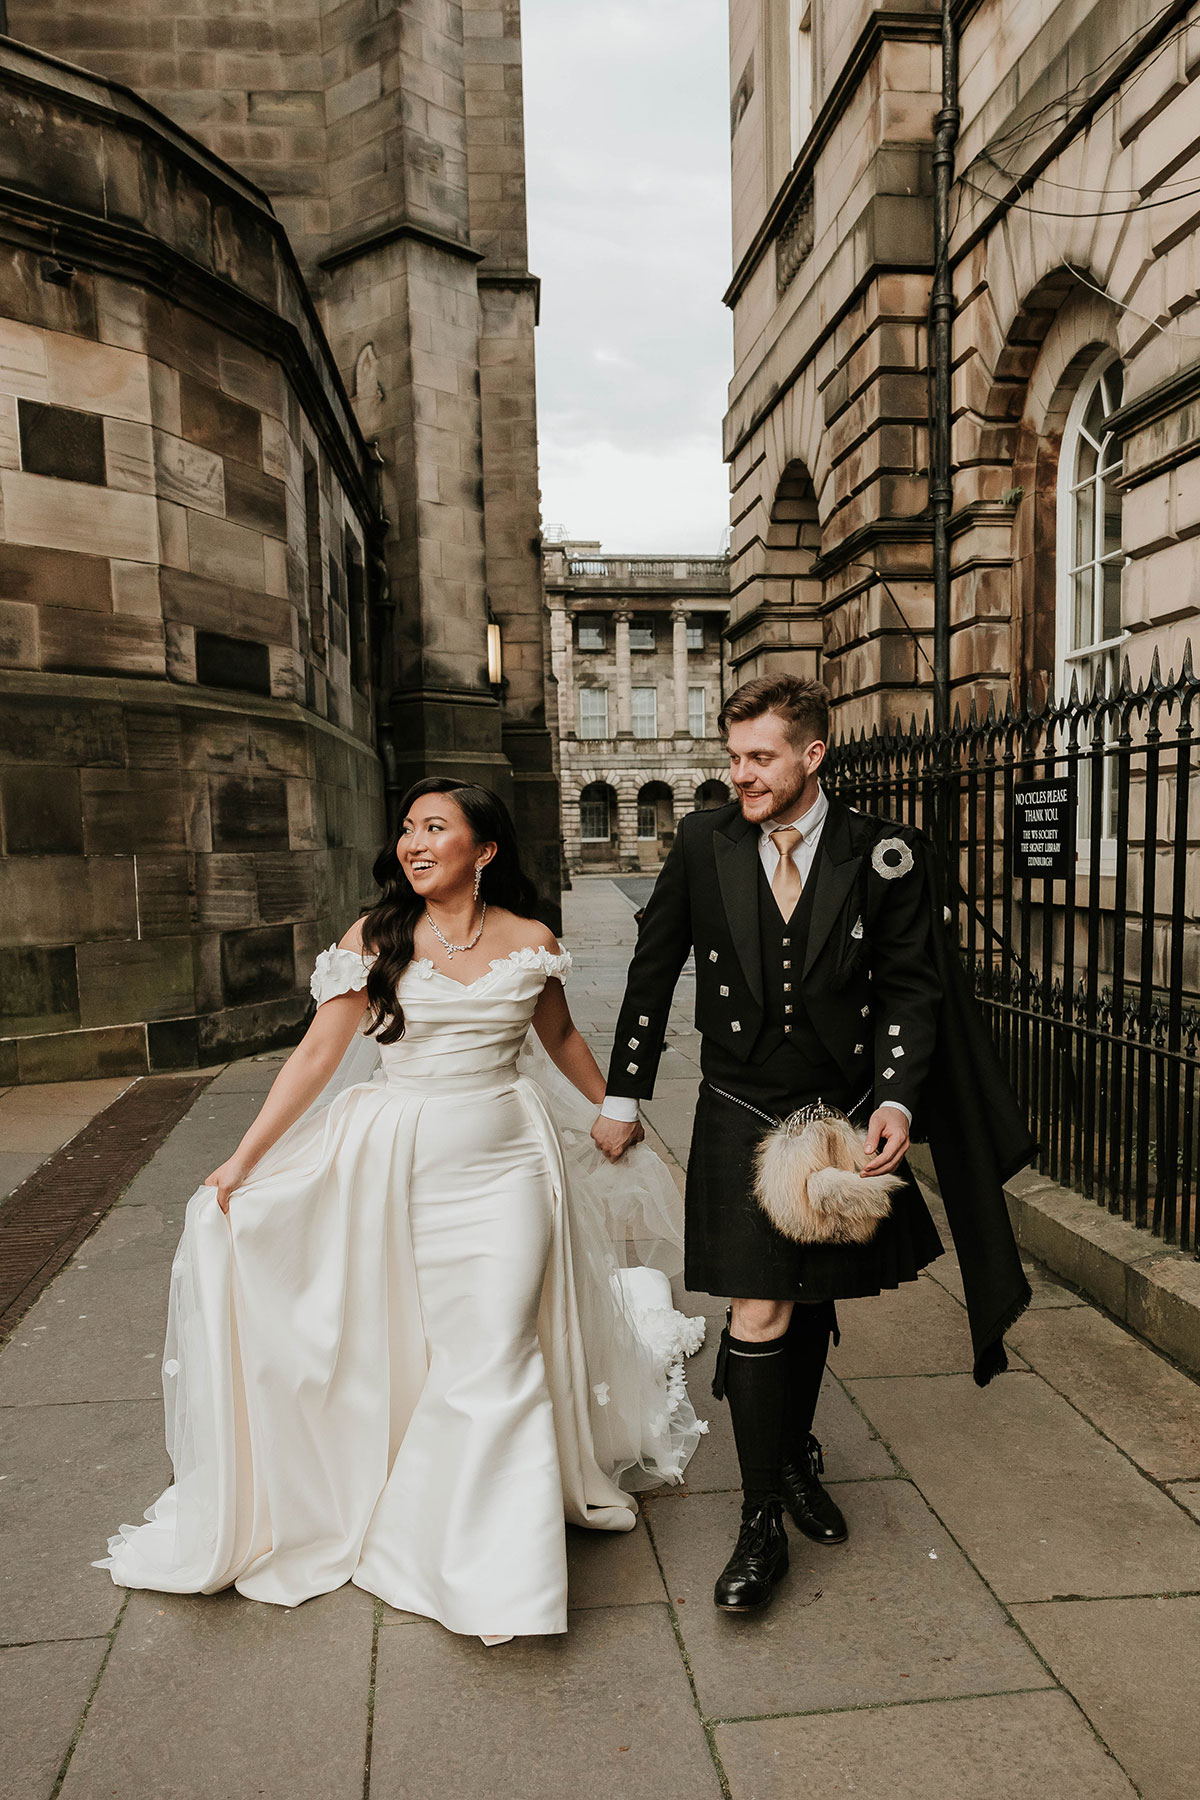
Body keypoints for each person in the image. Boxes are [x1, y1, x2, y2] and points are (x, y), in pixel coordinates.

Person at [97, 778, 705, 1644]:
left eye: (436, 828)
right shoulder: (376, 938)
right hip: (397, 1161)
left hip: (509, 1167)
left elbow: (559, 1038)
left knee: (497, 1343)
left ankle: (495, 1569)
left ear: (483, 850)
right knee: (423, 1341)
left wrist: (614, 1106)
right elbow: (317, 1056)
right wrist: (242, 1160)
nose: (415, 843)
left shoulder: (531, 940)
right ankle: (429, 1517)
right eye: (409, 829)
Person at [592, 674, 1031, 1615]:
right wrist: (624, 1092)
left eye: (759, 757)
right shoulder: (705, 843)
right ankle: (759, 1524)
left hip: (837, 1113)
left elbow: (914, 988)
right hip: (739, 1103)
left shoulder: (885, 855)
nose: (740, 775)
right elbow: (653, 964)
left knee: (809, 1294)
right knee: (759, 1308)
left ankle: (792, 1454)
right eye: (734, 756)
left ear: (812, 754)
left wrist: (901, 1104)